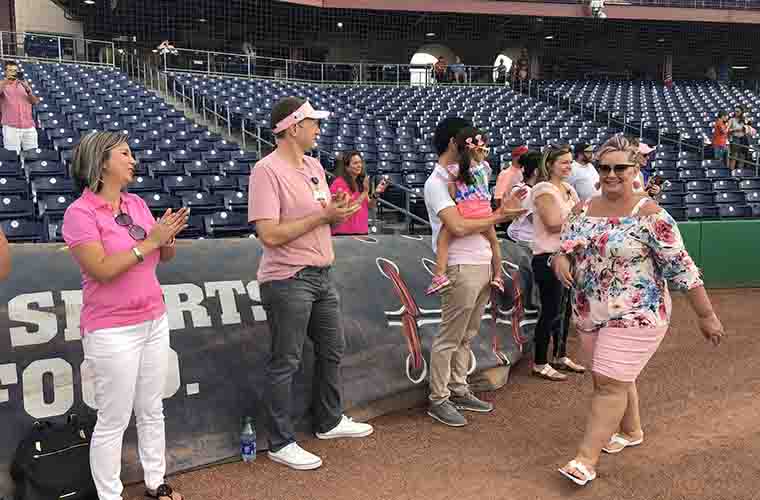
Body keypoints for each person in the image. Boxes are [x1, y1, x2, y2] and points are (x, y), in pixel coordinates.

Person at [553, 134, 724, 486]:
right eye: (604, 167)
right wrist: (561, 258)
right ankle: (631, 431)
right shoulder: (582, 208)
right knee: (612, 376)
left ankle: (585, 460)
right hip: (589, 310)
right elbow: (566, 244)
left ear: (636, 169)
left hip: (639, 312)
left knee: (609, 382)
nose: (612, 174)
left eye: (620, 167)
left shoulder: (651, 215)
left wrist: (706, 315)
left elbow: (682, 268)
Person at [248, 96, 374, 471]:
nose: (318, 128)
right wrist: (324, 215)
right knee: (285, 360)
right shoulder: (265, 170)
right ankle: (280, 441)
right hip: (288, 277)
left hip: (321, 273)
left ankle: (329, 420)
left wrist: (337, 213)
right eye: (312, 123)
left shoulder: (315, 165)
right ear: (292, 128)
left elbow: (324, 219)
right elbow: (269, 235)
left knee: (333, 349)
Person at [62, 131, 189, 500]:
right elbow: (101, 269)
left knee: (152, 409)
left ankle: (155, 481)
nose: (133, 160)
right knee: (113, 418)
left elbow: (162, 258)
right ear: (102, 163)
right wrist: (149, 242)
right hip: (111, 329)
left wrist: (166, 239)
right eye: (125, 153)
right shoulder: (79, 213)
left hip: (153, 318)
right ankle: (110, 495)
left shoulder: (135, 203)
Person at [423, 117, 525, 427]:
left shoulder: (469, 177)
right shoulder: (437, 182)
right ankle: (438, 398)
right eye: (472, 139)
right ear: (456, 142)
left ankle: (458, 388)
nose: (478, 144)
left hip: (480, 263)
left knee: (466, 336)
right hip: (459, 264)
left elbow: (477, 217)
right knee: (449, 337)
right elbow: (456, 225)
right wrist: (499, 216)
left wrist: (497, 215)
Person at [426, 127, 504, 295]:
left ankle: (439, 275)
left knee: (443, 240)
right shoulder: (486, 168)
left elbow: (453, 192)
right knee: (494, 243)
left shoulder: (455, 170)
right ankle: (498, 276)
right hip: (485, 211)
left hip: (466, 211)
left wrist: (454, 193)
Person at [530, 145, 585, 381]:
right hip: (548, 258)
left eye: (570, 162)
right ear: (550, 164)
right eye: (563, 162)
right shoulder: (543, 189)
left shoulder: (569, 189)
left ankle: (560, 355)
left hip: (569, 256)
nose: (568, 166)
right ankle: (540, 362)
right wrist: (578, 211)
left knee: (564, 312)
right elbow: (553, 223)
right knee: (550, 311)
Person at [329, 150, 388, 235]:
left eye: (360, 162)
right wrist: (365, 192)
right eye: (355, 163)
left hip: (362, 231)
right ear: (347, 167)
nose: (359, 165)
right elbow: (346, 209)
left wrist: (377, 193)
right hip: (343, 233)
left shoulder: (361, 182)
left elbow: (370, 206)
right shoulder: (338, 183)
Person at [0, 61, 40, 153]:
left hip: (29, 126)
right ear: (5, 72)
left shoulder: (24, 84)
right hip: (11, 127)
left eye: (15, 71)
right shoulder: (2, 84)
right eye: (10, 70)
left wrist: (28, 90)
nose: (13, 73)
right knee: (13, 156)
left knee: (33, 155)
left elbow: (35, 102)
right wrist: (6, 81)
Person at [505, 151, 541, 249]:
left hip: (534, 240)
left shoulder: (535, 189)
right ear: (536, 171)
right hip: (527, 241)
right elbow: (535, 220)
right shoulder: (524, 191)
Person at [729, 105, 748, 169]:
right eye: (735, 111)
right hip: (735, 138)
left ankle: (740, 172)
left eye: (738, 111)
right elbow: (728, 130)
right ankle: (731, 171)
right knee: (735, 156)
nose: (736, 113)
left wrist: (746, 128)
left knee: (742, 156)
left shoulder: (744, 120)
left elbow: (748, 129)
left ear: (741, 112)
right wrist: (735, 130)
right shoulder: (731, 120)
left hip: (743, 138)